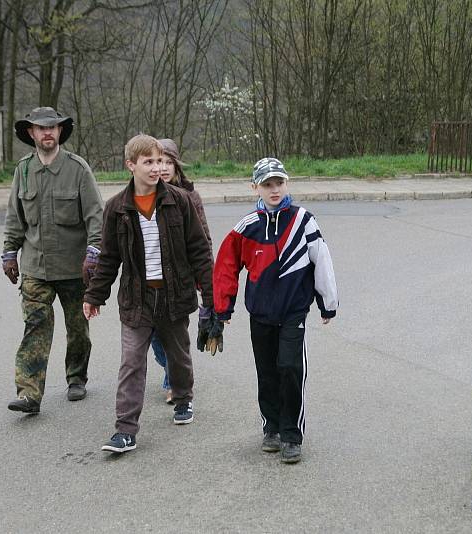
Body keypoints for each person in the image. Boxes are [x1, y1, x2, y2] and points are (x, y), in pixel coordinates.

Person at [83, 135, 218, 453]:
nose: (157, 168)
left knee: (179, 356)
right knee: (131, 362)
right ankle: (125, 429)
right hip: (137, 299)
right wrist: (94, 296)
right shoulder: (116, 208)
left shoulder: (179, 201)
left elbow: (199, 250)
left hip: (174, 296)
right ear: (131, 165)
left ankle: (183, 398)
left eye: (160, 161)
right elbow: (109, 258)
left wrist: (212, 297)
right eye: (149, 162)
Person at [213, 157, 338, 464]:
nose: (274, 189)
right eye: (267, 184)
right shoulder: (247, 227)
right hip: (260, 314)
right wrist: (222, 309)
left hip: (293, 312)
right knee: (267, 373)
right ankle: (271, 428)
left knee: (290, 368)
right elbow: (226, 266)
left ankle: (292, 434)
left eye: (279, 183)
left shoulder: (304, 221)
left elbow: (322, 261)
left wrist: (327, 303)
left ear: (287, 183)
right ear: (254, 187)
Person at [2, 106, 103, 414]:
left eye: (53, 128)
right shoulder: (24, 170)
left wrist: (94, 253)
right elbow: (14, 217)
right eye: (40, 128)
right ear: (31, 133)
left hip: (74, 266)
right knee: (35, 326)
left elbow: (95, 216)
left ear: (60, 132)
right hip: (35, 267)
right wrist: (9, 252)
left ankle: (76, 377)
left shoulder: (77, 168)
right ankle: (30, 393)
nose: (47, 132)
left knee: (77, 327)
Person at [148, 138, 212, 405]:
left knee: (175, 335)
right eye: (157, 161)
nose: (162, 168)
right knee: (152, 335)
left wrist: (204, 278)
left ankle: (177, 381)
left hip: (180, 279)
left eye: (167, 162)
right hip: (150, 280)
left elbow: (203, 239)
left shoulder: (189, 197)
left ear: (176, 166)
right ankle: (171, 370)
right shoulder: (142, 194)